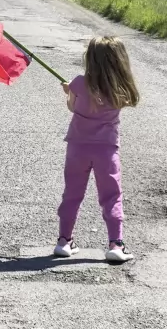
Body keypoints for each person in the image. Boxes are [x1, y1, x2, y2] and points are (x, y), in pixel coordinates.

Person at [55, 36, 140, 262]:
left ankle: (64, 240)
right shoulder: (120, 89)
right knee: (111, 196)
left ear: (90, 60)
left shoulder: (79, 83)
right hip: (107, 151)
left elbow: (72, 107)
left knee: (72, 194)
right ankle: (116, 244)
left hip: (77, 148)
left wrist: (70, 92)